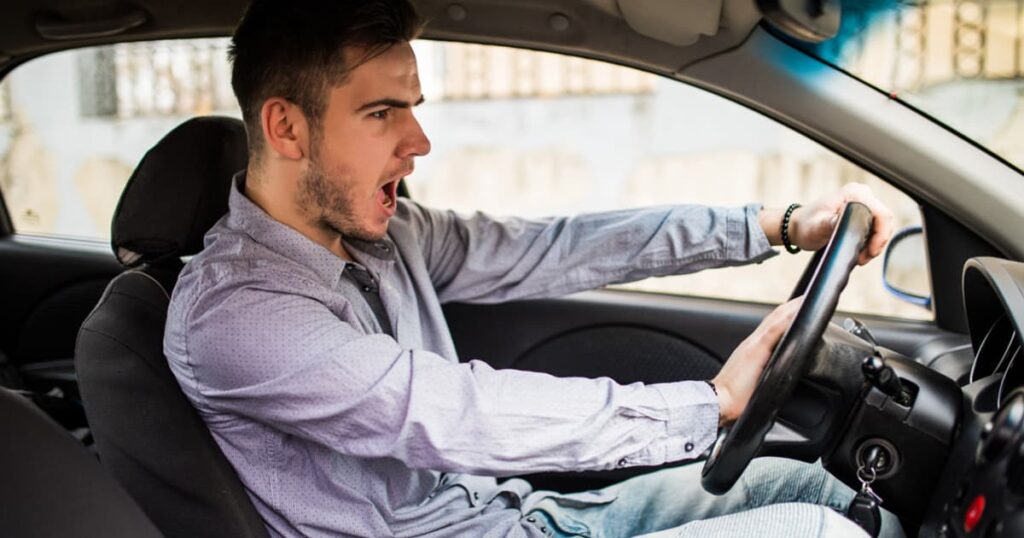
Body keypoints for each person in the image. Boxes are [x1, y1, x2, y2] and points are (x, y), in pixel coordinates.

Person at [164, 1, 900, 537]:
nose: (419, 142)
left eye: (413, 107)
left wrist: (774, 224)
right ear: (286, 127)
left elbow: (557, 245)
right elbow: (449, 410)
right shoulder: (237, 316)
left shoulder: (386, 235)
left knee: (816, 485)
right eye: (382, 113)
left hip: (514, 516)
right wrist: (712, 403)